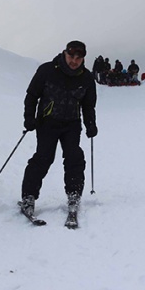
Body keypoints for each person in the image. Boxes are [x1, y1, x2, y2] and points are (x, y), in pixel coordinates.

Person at [20, 40, 98, 219]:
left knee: (74, 158)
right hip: (48, 122)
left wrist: (91, 124)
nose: (74, 61)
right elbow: (32, 96)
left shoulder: (86, 78)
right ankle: (28, 197)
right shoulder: (47, 70)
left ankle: (74, 195)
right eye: (71, 56)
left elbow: (88, 105)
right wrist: (29, 118)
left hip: (72, 124)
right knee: (43, 158)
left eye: (79, 58)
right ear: (65, 53)